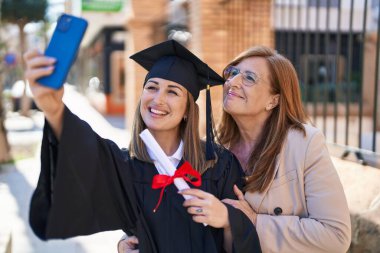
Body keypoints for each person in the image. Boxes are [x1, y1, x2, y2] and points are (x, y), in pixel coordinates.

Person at [25, 40, 261, 253]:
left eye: (172, 92)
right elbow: (80, 150)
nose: (158, 99)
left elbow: (239, 244)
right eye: (152, 87)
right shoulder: (125, 167)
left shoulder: (220, 166)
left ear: (188, 109)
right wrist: (53, 107)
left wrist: (229, 219)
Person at [119, 46, 352, 253]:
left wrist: (250, 222)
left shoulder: (303, 144)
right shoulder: (214, 154)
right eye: (232, 73)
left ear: (274, 100)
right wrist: (130, 239)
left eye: (249, 77)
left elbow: (335, 236)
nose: (233, 82)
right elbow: (176, 216)